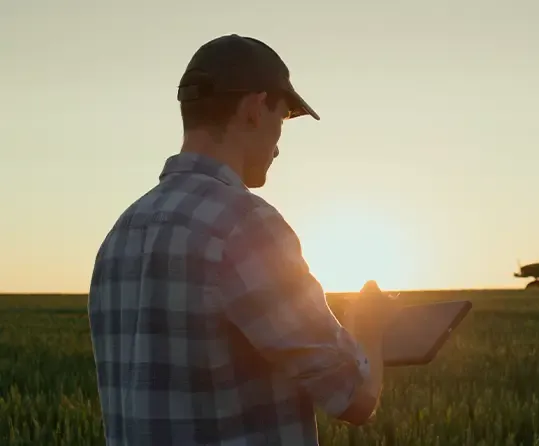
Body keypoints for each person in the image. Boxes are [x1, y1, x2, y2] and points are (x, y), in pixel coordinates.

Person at [87, 34, 399, 445]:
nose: (278, 146)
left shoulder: (119, 235)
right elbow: (355, 398)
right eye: (283, 117)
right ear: (254, 109)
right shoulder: (245, 225)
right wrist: (369, 325)